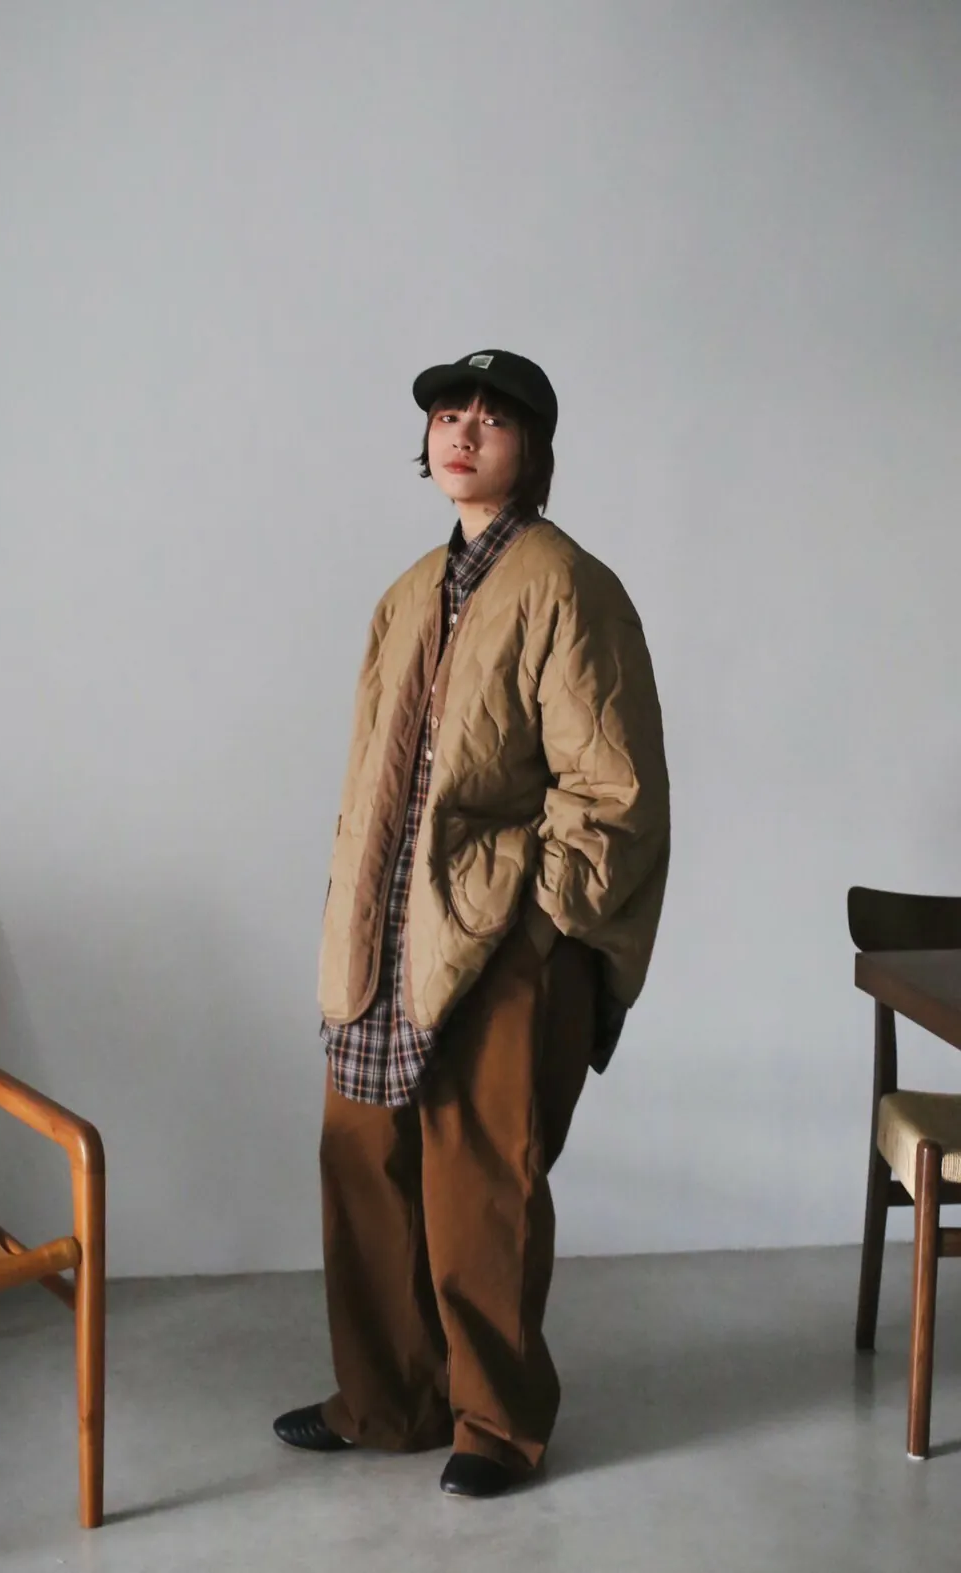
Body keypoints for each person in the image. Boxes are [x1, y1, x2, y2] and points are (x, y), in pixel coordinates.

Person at [274, 349, 670, 1498]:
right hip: (384, 934)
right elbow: (369, 775)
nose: (461, 433)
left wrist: (538, 922)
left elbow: (613, 790)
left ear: (530, 448)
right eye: (448, 415)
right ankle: (384, 1399)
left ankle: (494, 1425)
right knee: (361, 1160)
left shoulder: (567, 584)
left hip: (503, 942)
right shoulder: (407, 593)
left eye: (490, 420)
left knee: (481, 1184)